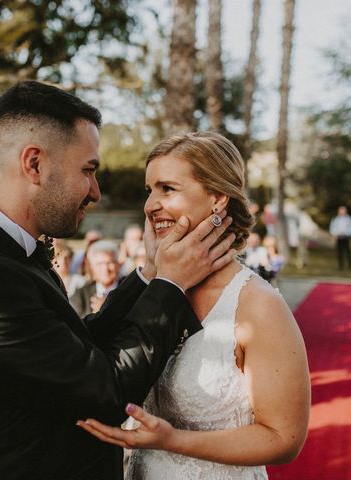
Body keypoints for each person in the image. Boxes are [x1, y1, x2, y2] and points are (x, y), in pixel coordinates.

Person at [0, 81, 237, 480]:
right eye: (88, 170)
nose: (96, 192)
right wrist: (171, 285)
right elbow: (106, 391)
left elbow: (74, 350)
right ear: (34, 164)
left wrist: (149, 275)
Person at [77, 131, 310, 479]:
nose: (150, 205)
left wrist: (172, 440)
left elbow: (283, 438)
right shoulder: (155, 289)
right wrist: (153, 268)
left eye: (167, 189)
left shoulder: (257, 304)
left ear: (217, 199)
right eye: (149, 190)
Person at [71, 240, 121, 316]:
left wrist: (107, 310)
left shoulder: (129, 289)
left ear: (118, 264)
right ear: (92, 267)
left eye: (109, 263)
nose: (105, 269)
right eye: (99, 264)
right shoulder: (80, 294)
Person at [329, 205, 351, 270]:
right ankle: (341, 266)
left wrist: (347, 233)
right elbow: (332, 228)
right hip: (339, 237)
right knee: (339, 252)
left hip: (346, 237)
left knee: (348, 252)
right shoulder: (335, 219)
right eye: (341, 210)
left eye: (343, 210)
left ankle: (350, 266)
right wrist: (336, 234)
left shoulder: (350, 218)